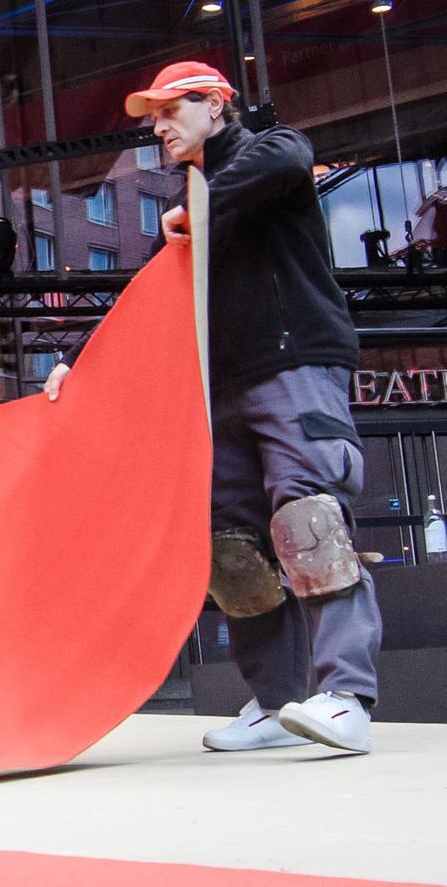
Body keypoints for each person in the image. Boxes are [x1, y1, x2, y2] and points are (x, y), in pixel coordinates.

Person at [45, 62, 378, 755]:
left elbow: (288, 154)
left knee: (309, 520)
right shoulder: (188, 210)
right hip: (216, 389)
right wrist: (80, 362)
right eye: (154, 117)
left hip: (292, 365)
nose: (159, 127)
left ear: (217, 104)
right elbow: (150, 299)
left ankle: (346, 696)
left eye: (172, 110)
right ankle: (278, 703)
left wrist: (200, 207)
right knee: (232, 550)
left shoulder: (267, 154)